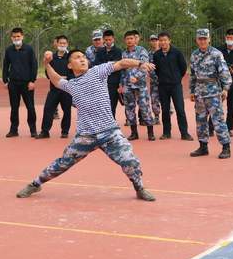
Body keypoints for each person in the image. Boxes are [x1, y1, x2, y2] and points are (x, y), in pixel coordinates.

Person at [15, 49, 156, 202]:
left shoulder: (97, 71)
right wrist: (46, 64)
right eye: (77, 58)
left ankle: (139, 188)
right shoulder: (71, 85)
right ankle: (36, 184)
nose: (82, 59)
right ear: (69, 66)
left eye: (83, 57)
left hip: (110, 132)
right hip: (85, 136)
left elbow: (121, 63)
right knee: (62, 163)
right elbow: (55, 80)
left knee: (130, 161)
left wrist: (140, 63)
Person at [189, 29, 232, 159]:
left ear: (209, 39)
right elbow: (192, 74)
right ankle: (203, 146)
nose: (202, 41)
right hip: (199, 92)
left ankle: (226, 147)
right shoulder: (194, 55)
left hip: (213, 92)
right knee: (200, 120)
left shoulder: (216, 54)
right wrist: (191, 90)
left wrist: (225, 88)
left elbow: (224, 72)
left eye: (204, 39)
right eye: (200, 39)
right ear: (196, 40)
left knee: (218, 120)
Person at [151, 31, 192, 140]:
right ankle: (166, 132)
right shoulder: (156, 55)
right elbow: (156, 70)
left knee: (180, 109)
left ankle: (184, 133)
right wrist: (162, 78)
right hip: (163, 86)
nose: (163, 42)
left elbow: (183, 67)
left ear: (169, 40)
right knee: (165, 110)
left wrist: (177, 77)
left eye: (165, 40)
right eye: (161, 40)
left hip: (175, 85)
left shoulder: (177, 52)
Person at [120, 30, 155, 141]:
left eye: (131, 38)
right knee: (129, 108)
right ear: (125, 40)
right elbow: (122, 68)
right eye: (127, 39)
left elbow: (145, 67)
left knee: (145, 108)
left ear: (135, 39)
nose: (130, 41)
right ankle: (134, 133)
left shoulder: (141, 51)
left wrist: (137, 77)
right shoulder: (124, 53)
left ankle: (150, 132)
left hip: (140, 85)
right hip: (127, 85)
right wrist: (121, 84)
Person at [3, 27, 38, 138]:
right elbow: (5, 65)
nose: (16, 38)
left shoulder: (29, 49)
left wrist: (32, 80)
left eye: (18, 36)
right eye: (14, 36)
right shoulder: (9, 50)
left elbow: (34, 65)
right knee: (14, 107)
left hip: (27, 83)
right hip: (13, 83)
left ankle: (33, 130)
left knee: (30, 107)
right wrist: (5, 80)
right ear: (11, 38)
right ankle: (14, 130)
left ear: (22, 36)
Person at [38, 35, 74, 139]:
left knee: (67, 110)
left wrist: (64, 78)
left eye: (64, 43)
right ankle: (45, 131)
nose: (62, 45)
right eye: (60, 43)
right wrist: (55, 78)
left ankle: (65, 131)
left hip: (67, 90)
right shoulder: (51, 58)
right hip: (54, 89)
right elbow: (47, 72)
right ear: (56, 44)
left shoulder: (70, 58)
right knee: (48, 109)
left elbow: (73, 73)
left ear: (67, 44)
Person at [210, 29, 233, 137]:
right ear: (225, 38)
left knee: (231, 106)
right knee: (215, 105)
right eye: (228, 38)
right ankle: (211, 128)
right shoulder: (219, 50)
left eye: (231, 38)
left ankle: (229, 128)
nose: (229, 40)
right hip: (220, 83)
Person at [94, 29, 123, 118]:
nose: (108, 42)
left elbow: (117, 66)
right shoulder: (99, 51)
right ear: (103, 40)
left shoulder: (118, 51)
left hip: (113, 82)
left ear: (113, 39)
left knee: (112, 105)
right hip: (101, 82)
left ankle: (112, 126)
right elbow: (97, 64)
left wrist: (120, 83)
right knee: (102, 106)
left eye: (109, 40)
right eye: (106, 40)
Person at [148, 34, 161, 125]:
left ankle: (167, 114)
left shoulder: (163, 52)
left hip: (164, 81)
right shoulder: (148, 54)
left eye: (156, 40)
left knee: (165, 100)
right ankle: (156, 117)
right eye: (152, 40)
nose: (154, 42)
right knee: (154, 99)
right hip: (153, 81)